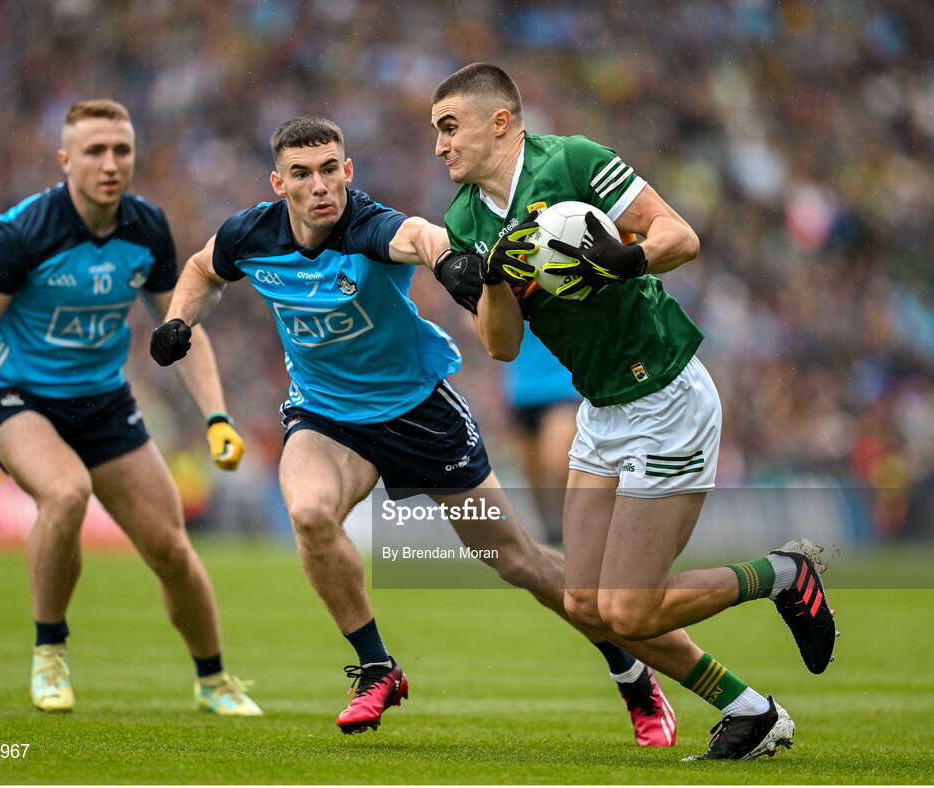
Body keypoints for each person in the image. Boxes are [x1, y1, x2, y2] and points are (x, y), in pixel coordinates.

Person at [151, 115, 714, 744]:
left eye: (331, 169)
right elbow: (202, 269)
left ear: (349, 172)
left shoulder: (366, 225)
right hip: (325, 415)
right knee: (309, 514)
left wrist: (450, 264)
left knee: (519, 562)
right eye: (303, 175)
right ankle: (375, 668)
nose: (320, 186)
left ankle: (630, 673)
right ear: (277, 182)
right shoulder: (248, 234)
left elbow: (420, 236)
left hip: (420, 413)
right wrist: (180, 319)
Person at [431, 63, 839, 761]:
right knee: (586, 604)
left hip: (667, 398)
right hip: (602, 409)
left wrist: (620, 260)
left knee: (626, 607)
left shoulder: (574, 160)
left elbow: (680, 237)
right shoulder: (464, 219)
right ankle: (751, 712)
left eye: (449, 127)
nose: (439, 146)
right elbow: (500, 347)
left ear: (501, 122)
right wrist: (492, 277)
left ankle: (781, 575)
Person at [0, 99, 260, 717]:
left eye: (122, 151)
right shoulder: (21, 233)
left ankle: (214, 680)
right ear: (65, 160)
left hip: (103, 401)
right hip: (16, 396)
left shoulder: (146, 228)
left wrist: (217, 415)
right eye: (94, 151)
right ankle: (49, 653)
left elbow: (180, 325)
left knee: (170, 548)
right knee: (65, 494)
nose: (110, 164)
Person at [502, 326, 581, 544]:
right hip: (522, 393)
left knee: (556, 465)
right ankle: (551, 536)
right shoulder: (506, 291)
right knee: (533, 478)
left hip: (565, 390)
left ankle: (575, 528)